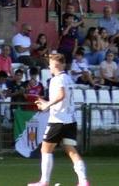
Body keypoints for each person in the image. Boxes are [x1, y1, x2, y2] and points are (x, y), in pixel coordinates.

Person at [30, 53, 90, 186]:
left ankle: (44, 181)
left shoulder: (57, 79)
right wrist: (46, 103)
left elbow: (61, 95)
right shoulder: (68, 78)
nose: (49, 66)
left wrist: (47, 105)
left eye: (50, 63)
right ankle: (83, 180)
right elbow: (63, 98)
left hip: (58, 120)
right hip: (70, 120)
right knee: (71, 151)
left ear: (54, 64)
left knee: (45, 149)